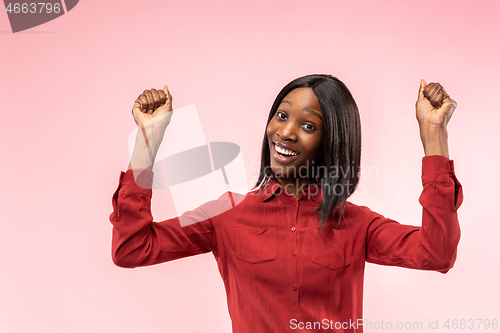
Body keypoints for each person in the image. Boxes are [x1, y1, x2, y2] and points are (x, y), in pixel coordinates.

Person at [109, 74, 462, 333]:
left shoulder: (356, 224)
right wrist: (147, 140)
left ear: (331, 142)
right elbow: (132, 248)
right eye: (281, 115)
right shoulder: (226, 215)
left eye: (308, 125)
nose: (286, 132)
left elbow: (436, 253)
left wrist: (434, 135)